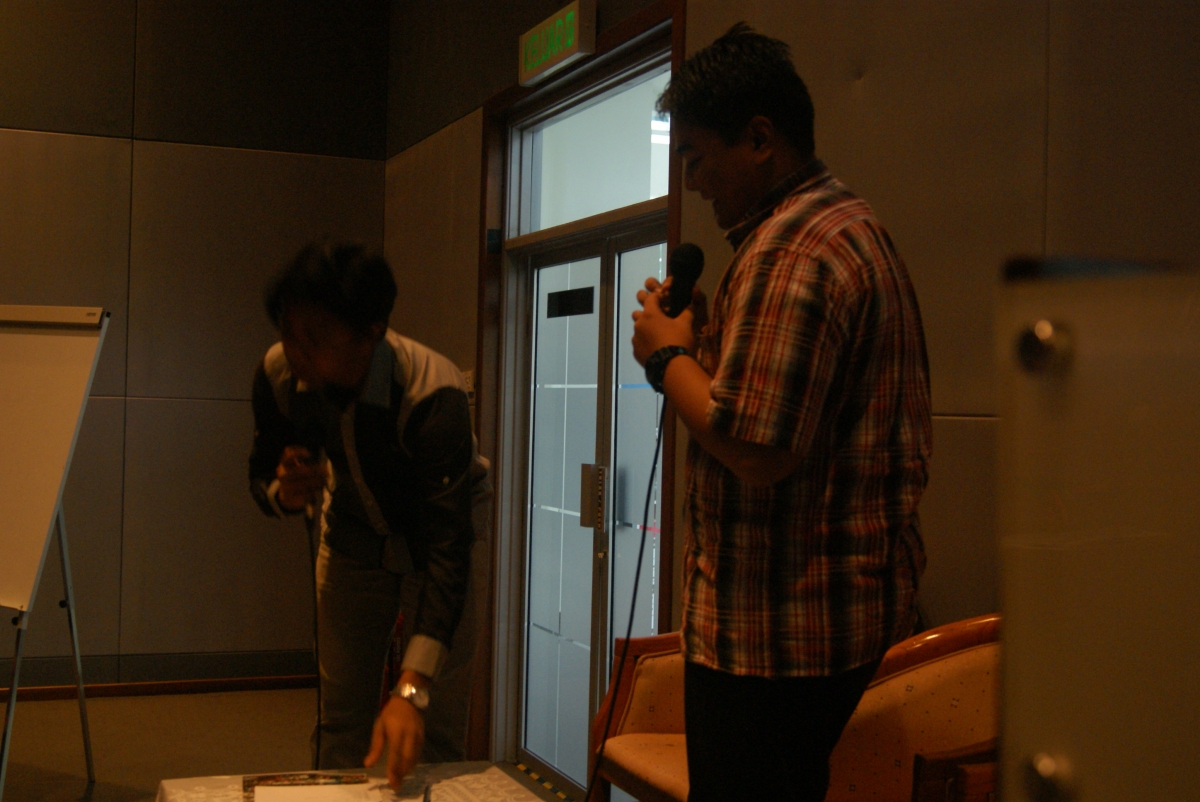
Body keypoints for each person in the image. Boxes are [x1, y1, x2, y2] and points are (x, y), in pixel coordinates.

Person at [631, 23, 932, 802]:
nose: (692, 182)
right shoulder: (838, 224)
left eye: (696, 157)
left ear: (760, 139)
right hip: (824, 631)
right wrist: (700, 344)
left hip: (777, 643)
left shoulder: (790, 249)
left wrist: (666, 357)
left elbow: (756, 447)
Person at [248, 241, 491, 789]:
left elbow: (448, 550)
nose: (295, 350)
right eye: (288, 331)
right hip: (351, 533)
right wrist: (284, 491)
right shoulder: (278, 372)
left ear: (371, 332)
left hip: (438, 540)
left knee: (432, 720)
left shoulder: (433, 390)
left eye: (315, 336)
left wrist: (411, 686)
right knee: (341, 718)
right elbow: (260, 476)